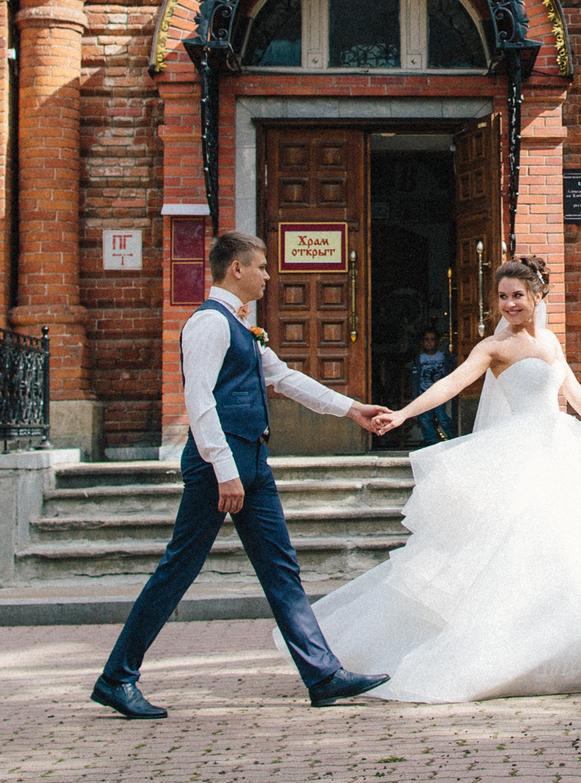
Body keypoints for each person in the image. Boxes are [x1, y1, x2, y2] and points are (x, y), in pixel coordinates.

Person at [305, 256, 581, 701]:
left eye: (518, 295)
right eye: (502, 297)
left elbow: (572, 390)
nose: (509, 304)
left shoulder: (552, 341)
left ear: (538, 296)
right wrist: (402, 414)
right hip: (521, 452)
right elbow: (451, 385)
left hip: (563, 448)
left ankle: (574, 648)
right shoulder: (494, 348)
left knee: (579, 550)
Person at [91, 230, 391, 718]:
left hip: (252, 462)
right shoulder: (208, 324)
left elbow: (283, 378)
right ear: (237, 269)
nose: (269, 276)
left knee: (281, 568)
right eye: (262, 267)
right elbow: (199, 402)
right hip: (219, 466)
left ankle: (322, 675)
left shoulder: (239, 326)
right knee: (178, 570)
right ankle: (116, 678)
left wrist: (350, 408)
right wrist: (225, 471)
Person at [407, 329, 453, 444]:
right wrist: (416, 395)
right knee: (425, 418)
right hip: (424, 393)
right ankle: (430, 441)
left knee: (442, 416)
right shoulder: (420, 359)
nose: (429, 343)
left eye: (432, 340)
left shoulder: (443, 357)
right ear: (422, 342)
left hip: (440, 393)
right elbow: (415, 378)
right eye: (426, 340)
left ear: (437, 342)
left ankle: (453, 438)